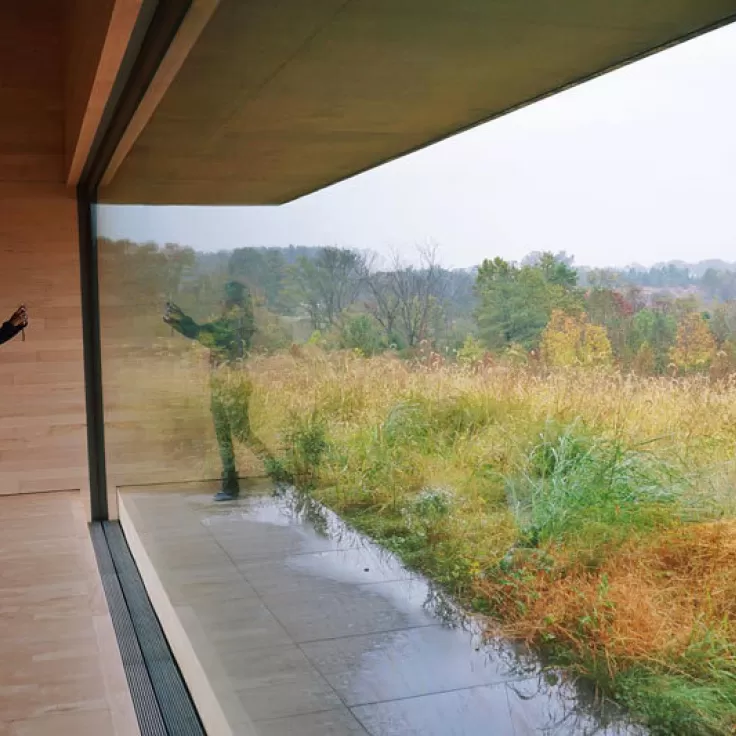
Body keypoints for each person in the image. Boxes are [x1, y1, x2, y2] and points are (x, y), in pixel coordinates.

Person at [164, 281, 257, 501]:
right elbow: (205, 333)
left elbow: (206, 334)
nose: (221, 304)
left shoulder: (236, 323)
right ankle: (232, 485)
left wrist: (180, 321)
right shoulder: (238, 321)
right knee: (229, 436)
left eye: (225, 300)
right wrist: (180, 321)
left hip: (231, 387)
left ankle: (275, 476)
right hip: (223, 386)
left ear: (233, 302)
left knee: (239, 435)